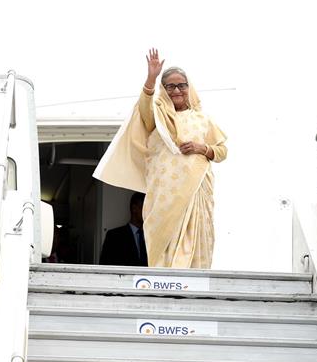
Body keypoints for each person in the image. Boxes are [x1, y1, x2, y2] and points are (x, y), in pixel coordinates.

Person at [93, 49, 227, 269]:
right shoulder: (157, 114)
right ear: (163, 90)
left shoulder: (202, 118)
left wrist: (202, 148)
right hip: (163, 191)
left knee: (195, 238)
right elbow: (144, 109)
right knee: (164, 240)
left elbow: (222, 151)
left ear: (189, 87)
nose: (176, 90)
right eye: (170, 86)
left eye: (181, 85)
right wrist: (151, 79)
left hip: (196, 190)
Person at [99, 192, 148, 266]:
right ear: (134, 208)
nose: (147, 213)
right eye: (145, 208)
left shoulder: (150, 237)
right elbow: (105, 266)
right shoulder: (114, 236)